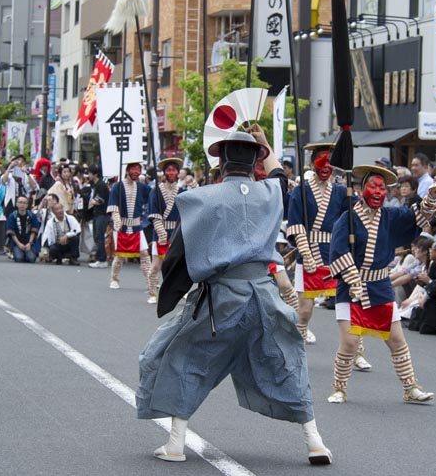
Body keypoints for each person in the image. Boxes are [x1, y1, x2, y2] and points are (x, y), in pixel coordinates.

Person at [136, 128, 332, 466]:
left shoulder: (203, 198)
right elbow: (278, 175)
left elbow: (178, 257)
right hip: (266, 297)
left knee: (182, 357)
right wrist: (264, 142)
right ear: (254, 160)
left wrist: (173, 291)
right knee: (285, 359)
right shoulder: (272, 193)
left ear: (221, 161)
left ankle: (176, 444)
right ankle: (315, 441)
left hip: (222, 298)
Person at [326, 164, 436, 404]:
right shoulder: (347, 218)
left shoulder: (390, 215)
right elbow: (338, 251)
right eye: (372, 186)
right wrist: (353, 280)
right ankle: (339, 387)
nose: (378, 191)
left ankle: (410, 387)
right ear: (362, 188)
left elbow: (419, 218)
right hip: (351, 285)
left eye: (381, 187)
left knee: (397, 340)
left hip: (380, 285)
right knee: (349, 341)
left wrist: (430, 198)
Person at [287, 143, 347, 346]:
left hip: (334, 255)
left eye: (330, 162)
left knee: (346, 307)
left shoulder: (340, 192)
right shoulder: (300, 191)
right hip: (309, 251)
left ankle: (356, 351)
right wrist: (306, 253)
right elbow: (296, 226)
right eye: (321, 160)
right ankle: (297, 340)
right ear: (312, 164)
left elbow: (353, 219)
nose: (325, 166)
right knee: (305, 310)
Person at [148, 158, 191, 304]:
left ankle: (180, 292)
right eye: (169, 170)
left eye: (174, 170)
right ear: (164, 173)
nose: (171, 173)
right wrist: (161, 232)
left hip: (177, 232)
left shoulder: (183, 191)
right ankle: (152, 293)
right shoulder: (155, 191)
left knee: (179, 266)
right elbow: (153, 213)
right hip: (160, 231)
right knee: (155, 266)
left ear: (178, 173)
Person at [108, 161, 153, 295]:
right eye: (134, 169)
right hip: (122, 224)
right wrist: (116, 219)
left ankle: (150, 281)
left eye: (138, 170)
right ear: (127, 170)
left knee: (145, 254)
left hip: (136, 225)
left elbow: (152, 196)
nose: (136, 172)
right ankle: (114, 279)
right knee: (119, 255)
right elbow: (113, 205)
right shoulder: (118, 186)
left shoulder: (141, 186)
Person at [87, 166, 112, 269]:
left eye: (90, 173)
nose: (88, 175)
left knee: (99, 236)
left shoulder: (101, 185)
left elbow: (100, 200)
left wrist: (92, 202)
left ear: (95, 174)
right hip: (98, 214)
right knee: (97, 236)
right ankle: (100, 258)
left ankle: (101, 259)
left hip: (102, 214)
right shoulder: (96, 185)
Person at [6, 196, 39, 263]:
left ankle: (28, 252)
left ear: (27, 205)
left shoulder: (32, 216)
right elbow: (11, 232)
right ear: (16, 204)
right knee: (19, 259)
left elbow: (34, 231)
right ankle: (15, 252)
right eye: (20, 202)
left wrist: (29, 243)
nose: (22, 205)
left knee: (31, 259)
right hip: (17, 242)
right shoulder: (12, 216)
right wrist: (19, 244)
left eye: (24, 203)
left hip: (29, 242)